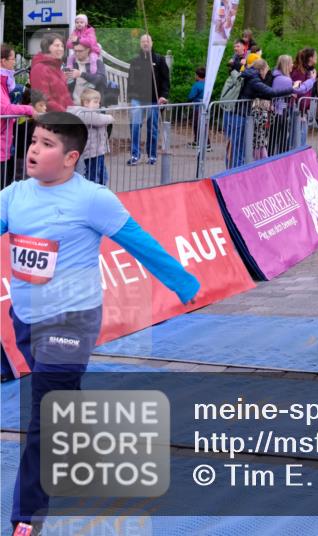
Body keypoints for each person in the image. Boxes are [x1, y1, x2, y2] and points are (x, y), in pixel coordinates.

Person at [1, 111, 200, 533]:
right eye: (34, 141)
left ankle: (26, 516)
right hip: (25, 319)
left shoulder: (93, 199)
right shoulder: (14, 195)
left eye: (47, 145)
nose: (34, 150)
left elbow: (140, 243)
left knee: (45, 413)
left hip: (72, 321)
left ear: (72, 157)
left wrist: (183, 282)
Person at [126, 34, 170, 166]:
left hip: (153, 100)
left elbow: (165, 80)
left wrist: (164, 95)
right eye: (143, 41)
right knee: (135, 126)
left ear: (152, 43)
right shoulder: (135, 61)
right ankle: (135, 155)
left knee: (153, 128)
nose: (145, 43)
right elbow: (131, 81)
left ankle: (152, 155)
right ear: (140, 44)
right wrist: (130, 98)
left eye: (147, 41)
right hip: (138, 100)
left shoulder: (159, 60)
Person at [1, 44, 36, 189]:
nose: (14, 62)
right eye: (12, 59)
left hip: (5, 144)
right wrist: (29, 109)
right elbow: (4, 108)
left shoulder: (5, 81)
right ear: (3, 61)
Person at [68, 87, 114, 184]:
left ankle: (101, 192)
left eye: (98, 102)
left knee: (102, 175)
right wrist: (110, 117)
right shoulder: (85, 114)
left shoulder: (92, 113)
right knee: (93, 176)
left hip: (98, 151)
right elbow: (99, 120)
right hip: (91, 153)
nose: (98, 104)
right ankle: (93, 193)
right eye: (95, 102)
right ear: (86, 103)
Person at [29, 33, 73, 112]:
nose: (61, 49)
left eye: (62, 46)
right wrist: (66, 114)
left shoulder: (58, 69)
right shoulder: (39, 68)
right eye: (57, 45)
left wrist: (74, 109)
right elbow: (42, 99)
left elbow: (65, 98)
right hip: (51, 120)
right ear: (47, 47)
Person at [67, 41, 108, 105]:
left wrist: (81, 74)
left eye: (80, 51)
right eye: (75, 51)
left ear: (88, 50)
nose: (77, 53)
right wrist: (65, 78)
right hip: (73, 104)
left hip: (92, 106)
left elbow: (101, 79)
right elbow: (68, 86)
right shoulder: (71, 64)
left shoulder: (97, 63)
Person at [187, 66, 210, 152]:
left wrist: (188, 101)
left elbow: (191, 96)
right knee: (204, 124)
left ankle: (204, 143)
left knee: (197, 124)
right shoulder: (208, 84)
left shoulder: (197, 85)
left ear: (197, 76)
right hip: (206, 106)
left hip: (198, 107)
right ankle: (203, 142)